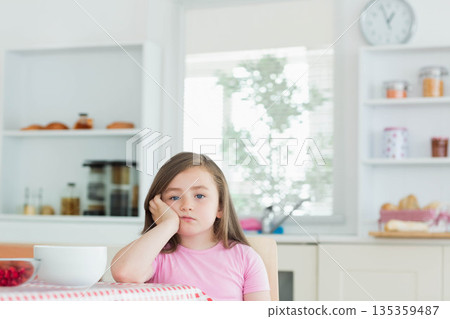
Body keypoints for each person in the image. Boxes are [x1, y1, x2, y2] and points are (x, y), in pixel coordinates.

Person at [111, 152, 270, 301]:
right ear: (158, 205)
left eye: (199, 196)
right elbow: (124, 273)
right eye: (174, 197)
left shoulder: (245, 257)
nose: (186, 206)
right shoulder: (155, 256)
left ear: (220, 207)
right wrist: (168, 224)